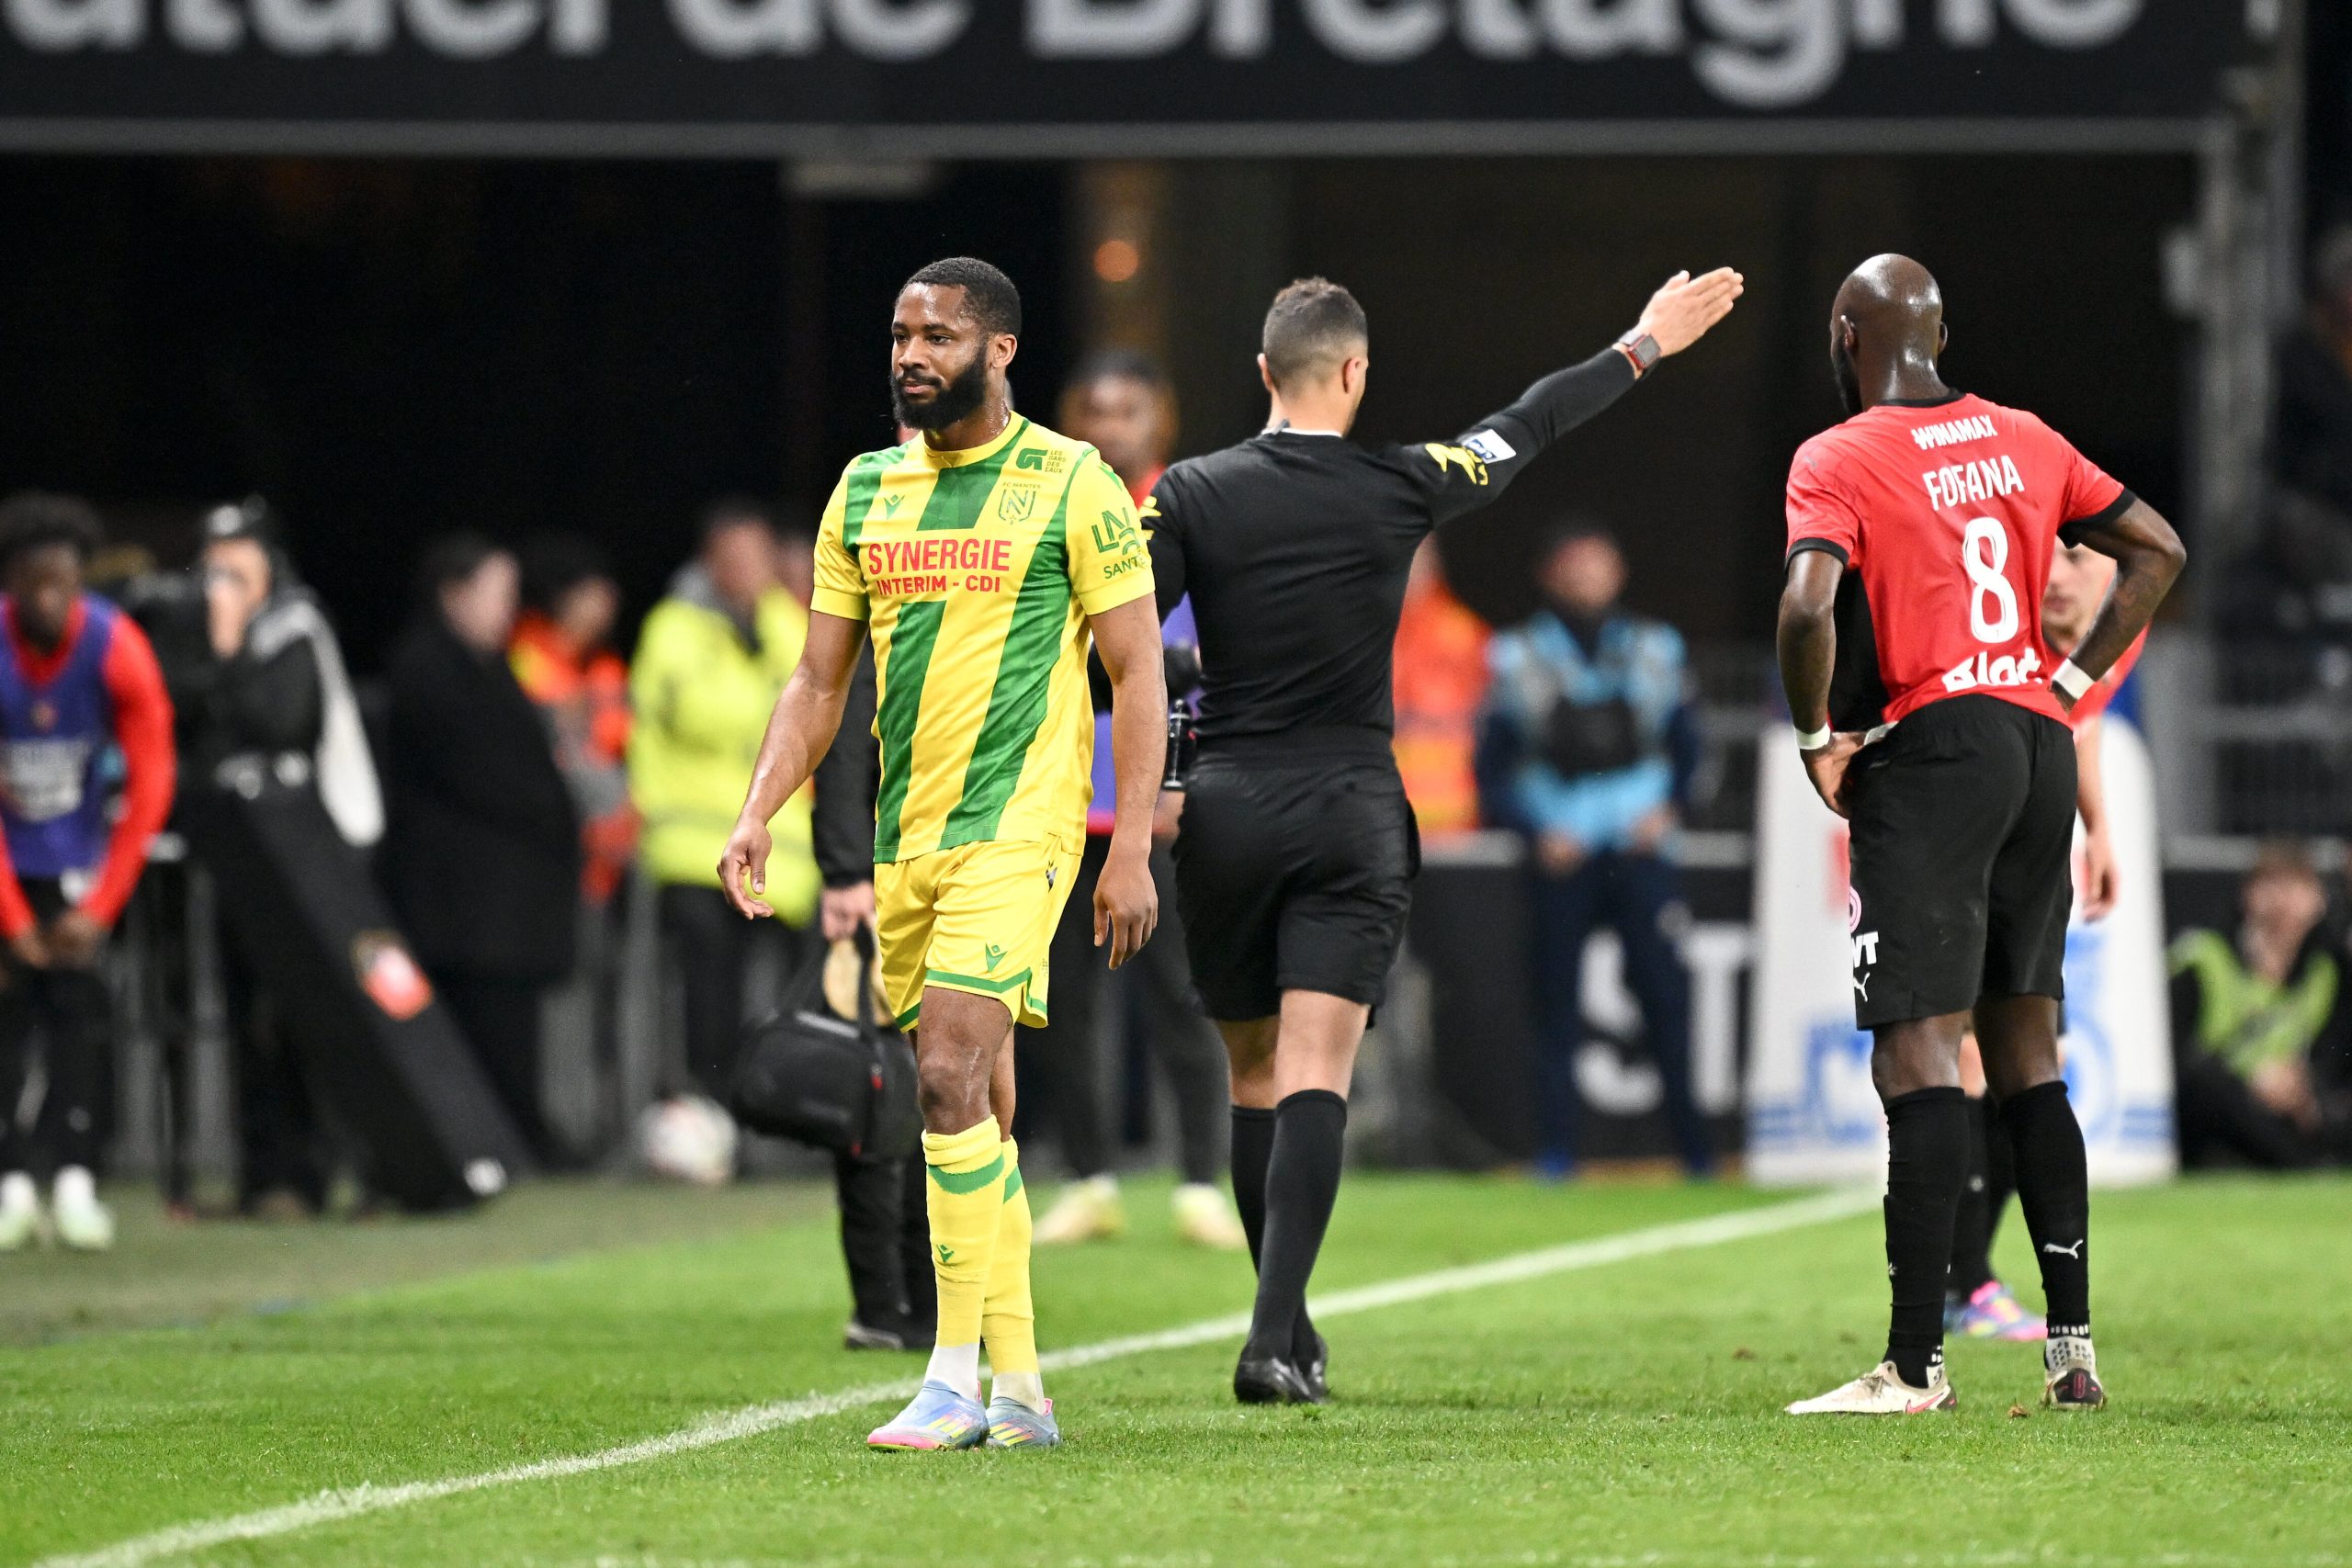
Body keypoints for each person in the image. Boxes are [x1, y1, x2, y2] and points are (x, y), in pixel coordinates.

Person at [1145, 267, 1742, 1404]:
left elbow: (1114, 640)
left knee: (1253, 1072)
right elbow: (1528, 422)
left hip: (1228, 810)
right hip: (1348, 809)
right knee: (1318, 1069)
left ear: (1263, 372)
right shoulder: (1399, 484)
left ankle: (1286, 1324)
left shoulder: (1189, 493)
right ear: (1355, 372)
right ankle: (1271, 1337)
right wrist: (1641, 343)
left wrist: (1179, 689)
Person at [716, 257, 1167, 1452]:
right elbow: (820, 682)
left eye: (939, 337)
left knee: (949, 1077)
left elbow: (1136, 670)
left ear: (1000, 349)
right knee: (985, 1107)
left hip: (1022, 831)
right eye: (901, 335)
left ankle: (950, 1376)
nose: (912, 356)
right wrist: (760, 808)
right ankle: (1022, 1385)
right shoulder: (865, 489)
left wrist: (1131, 845)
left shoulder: (1072, 482)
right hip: (907, 839)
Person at [1777, 254, 2185, 1416]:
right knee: (2027, 1056)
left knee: (1915, 1054)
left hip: (1935, 747)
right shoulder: (2024, 436)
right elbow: (2157, 551)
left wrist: (1814, 736)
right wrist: (2072, 684)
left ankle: (1914, 1367)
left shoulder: (1837, 455)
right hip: (2037, 743)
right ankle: (2071, 1356)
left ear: (1845, 335)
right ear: (1941, 334)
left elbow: (1806, 607)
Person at [1026, 351, 1244, 1252]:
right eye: (1094, 410)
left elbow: (1218, 666)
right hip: (1062, 805)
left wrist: (1186, 782)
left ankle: (1199, 1184)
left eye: (1126, 410)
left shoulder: (1195, 515)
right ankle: (1089, 1181)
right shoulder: (1048, 514)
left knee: (1182, 1000)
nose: (1108, 426)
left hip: (1162, 809)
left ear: (1162, 419)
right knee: (1060, 1006)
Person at [1943, 543, 2147, 1340]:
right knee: (1974, 1056)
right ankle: (1963, 1283)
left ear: (2117, 573)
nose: (2058, 576)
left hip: (2022, 851)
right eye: (2048, 555)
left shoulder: (2123, 627)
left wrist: (2099, 828)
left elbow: (2080, 718)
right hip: (1959, 842)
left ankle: (1966, 1281)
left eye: (2079, 556)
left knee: (2019, 1064)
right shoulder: (1998, 637)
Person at [1476, 524, 1709, 1179]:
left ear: (1619, 571)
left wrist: (1668, 813)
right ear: (1548, 575)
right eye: (1573, 566)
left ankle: (1695, 1152)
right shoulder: (1514, 656)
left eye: (1597, 565)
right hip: (1562, 854)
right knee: (1554, 1004)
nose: (1586, 578)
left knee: (1666, 999)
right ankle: (1557, 1154)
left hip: (1640, 851)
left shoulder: (1657, 649)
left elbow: (1693, 752)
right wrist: (1534, 834)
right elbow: (1490, 770)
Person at [184, 498, 382, 1215]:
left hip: (312, 854)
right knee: (247, 1019)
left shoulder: (295, 627)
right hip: (242, 853)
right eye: (214, 565)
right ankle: (266, 1175)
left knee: (316, 1021)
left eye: (238, 564)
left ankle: (339, 1172)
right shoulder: (200, 635)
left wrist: (231, 645)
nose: (222, 581)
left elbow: (282, 724)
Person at [0, 492, 175, 1253]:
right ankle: (10, 1187)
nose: (51, 600)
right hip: (7, 865)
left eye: (64, 583)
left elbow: (152, 779)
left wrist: (102, 904)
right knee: (7, 1023)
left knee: (80, 1021)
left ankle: (76, 1182)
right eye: (35, 584)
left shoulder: (116, 645)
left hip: (80, 865)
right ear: (11, 583)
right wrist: (11, 918)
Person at [381, 536, 581, 1166]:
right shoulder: (426, 671)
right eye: (498, 593)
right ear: (454, 594)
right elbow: (484, 776)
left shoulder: (490, 668)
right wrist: (547, 812)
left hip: (499, 905)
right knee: (477, 1028)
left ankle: (516, 1135)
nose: (508, 609)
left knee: (509, 1024)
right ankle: (492, 1141)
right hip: (460, 903)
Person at [630, 503, 820, 1149]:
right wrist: (773, 705)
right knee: (708, 999)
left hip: (784, 862)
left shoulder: (786, 622)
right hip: (694, 851)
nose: (748, 570)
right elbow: (694, 711)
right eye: (734, 557)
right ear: (710, 560)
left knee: (798, 1001)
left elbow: (820, 707)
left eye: (757, 556)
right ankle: (707, 1118)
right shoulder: (673, 626)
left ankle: (785, 1121)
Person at [2166, 844, 2350, 1168]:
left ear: (2319, 901)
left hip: (2291, 1111)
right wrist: (2251, 1080)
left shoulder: (2327, 973)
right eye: (2272, 885)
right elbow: (2175, 1057)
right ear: (2248, 894)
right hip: (2218, 1105)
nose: (2284, 902)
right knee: (2209, 1089)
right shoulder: (2202, 959)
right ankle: (2302, 1165)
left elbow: (2333, 1060)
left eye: (2297, 887)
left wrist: (2303, 1086)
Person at [512, 536, 635, 910]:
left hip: (605, 862)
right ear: (563, 597)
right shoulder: (524, 659)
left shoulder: (607, 670)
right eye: (594, 593)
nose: (608, 604)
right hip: (543, 849)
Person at [1391, 537, 1489, 839]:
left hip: (1453, 821)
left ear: (1433, 563)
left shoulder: (1466, 636)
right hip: (1373, 822)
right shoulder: (1349, 640)